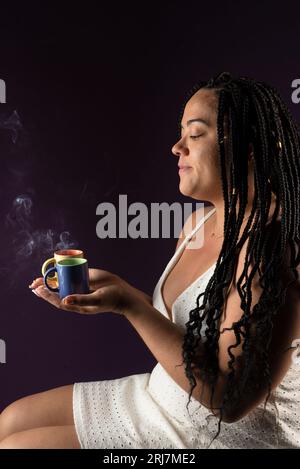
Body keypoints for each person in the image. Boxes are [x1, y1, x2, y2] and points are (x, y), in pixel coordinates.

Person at [0, 71, 300, 449]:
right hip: (164, 398)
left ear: (250, 147)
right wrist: (119, 295)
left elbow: (230, 400)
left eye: (195, 134)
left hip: (221, 437)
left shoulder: (274, 249)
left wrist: (130, 305)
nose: (177, 147)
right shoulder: (197, 223)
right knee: (10, 421)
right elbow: (189, 338)